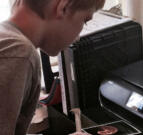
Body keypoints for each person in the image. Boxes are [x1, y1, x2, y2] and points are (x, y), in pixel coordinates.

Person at [0, 0, 105, 134]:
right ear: (63, 7)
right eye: (84, 20)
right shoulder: (17, 53)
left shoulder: (7, 38)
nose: (78, 37)